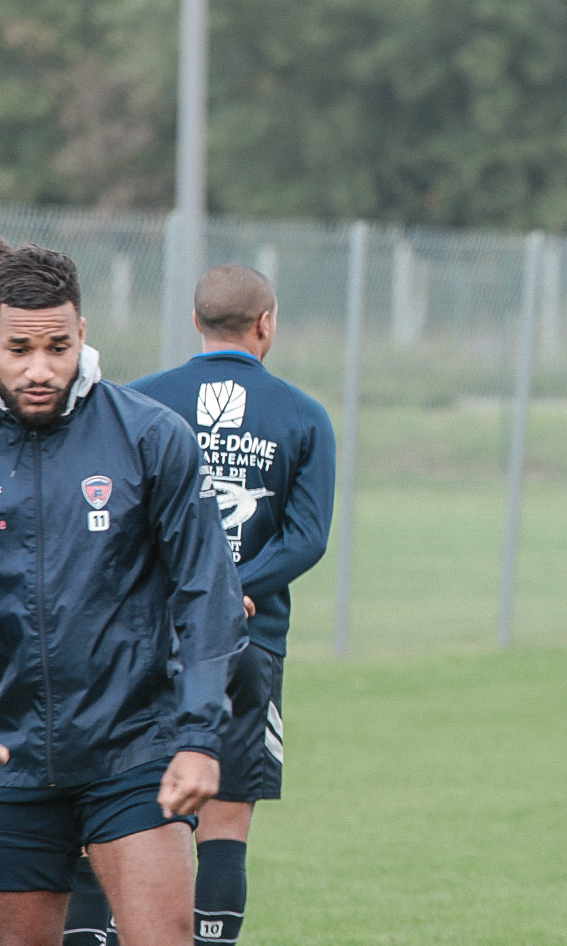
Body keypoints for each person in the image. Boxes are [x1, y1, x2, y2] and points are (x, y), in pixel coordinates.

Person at [62, 263, 336, 946]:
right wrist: (234, 590)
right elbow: (308, 539)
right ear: (265, 323)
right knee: (226, 822)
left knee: (111, 806)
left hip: (142, 642)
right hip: (249, 646)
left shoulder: (138, 401)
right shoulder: (305, 416)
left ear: (196, 321)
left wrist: (194, 588)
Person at [0, 244, 247, 946]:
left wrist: (198, 738)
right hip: (12, 763)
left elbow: (207, 592)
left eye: (57, 345)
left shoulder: (150, 437)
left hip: (132, 750)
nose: (40, 368)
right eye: (18, 349)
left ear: (82, 333)